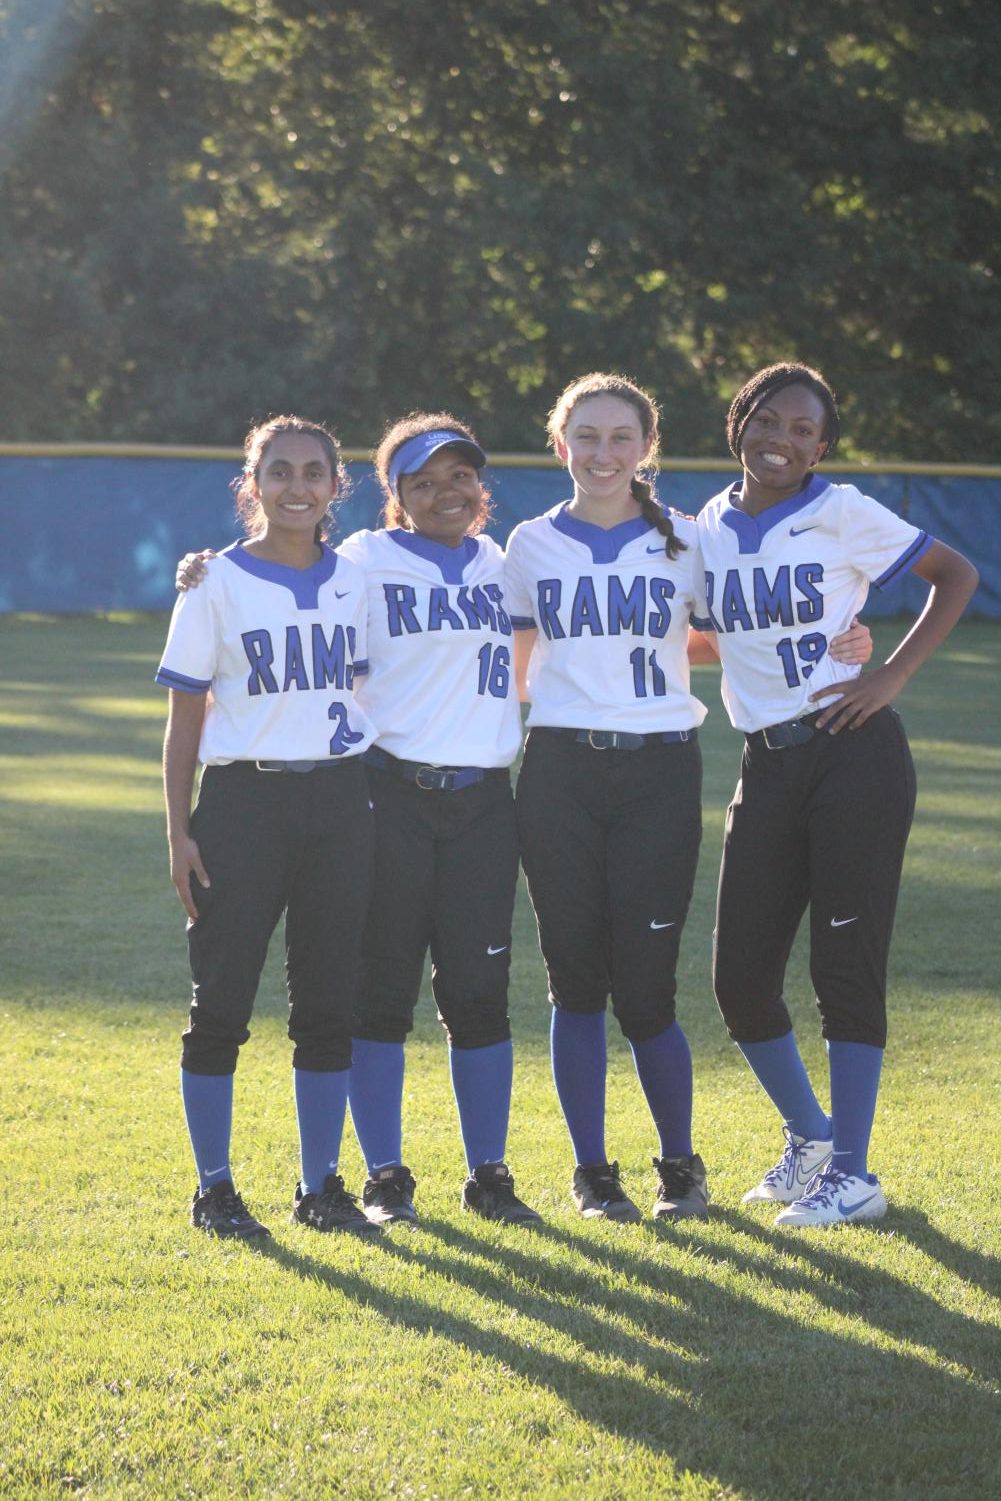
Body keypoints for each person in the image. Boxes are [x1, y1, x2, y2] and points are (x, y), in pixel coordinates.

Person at [505, 372, 868, 1223]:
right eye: (584, 436)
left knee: (647, 985)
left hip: (658, 773)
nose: (602, 453)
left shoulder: (687, 542)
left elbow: (736, 629)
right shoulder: (526, 545)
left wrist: (844, 633)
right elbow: (502, 651)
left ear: (646, 448)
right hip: (557, 770)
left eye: (619, 436)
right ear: (561, 446)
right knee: (573, 982)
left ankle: (678, 1167)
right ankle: (594, 1173)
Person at [177, 413, 541, 1228]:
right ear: (388, 495)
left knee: (478, 991)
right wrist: (204, 568)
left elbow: (590, 629)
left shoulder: (502, 562)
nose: (444, 491)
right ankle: (381, 1174)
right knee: (375, 994)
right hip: (383, 794)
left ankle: (488, 1173)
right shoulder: (360, 564)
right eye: (421, 480)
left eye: (459, 476)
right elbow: (271, 567)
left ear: (482, 487)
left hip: (483, 799)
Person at [694, 362, 978, 1227]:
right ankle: (811, 1139)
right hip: (765, 762)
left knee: (842, 967)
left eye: (802, 428)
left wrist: (887, 674)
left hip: (852, 754)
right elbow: (720, 637)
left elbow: (955, 573)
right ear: (738, 421)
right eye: (767, 419)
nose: (781, 438)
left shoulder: (841, 510)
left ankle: (852, 1173)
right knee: (738, 977)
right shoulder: (707, 522)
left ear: (822, 444)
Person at [157, 415, 380, 1240]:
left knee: (327, 1004)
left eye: (313, 472)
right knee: (219, 1002)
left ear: (334, 484)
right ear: (251, 485)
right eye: (278, 472)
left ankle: (319, 1185)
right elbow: (184, 721)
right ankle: (213, 1188)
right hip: (243, 805)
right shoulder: (213, 580)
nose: (296, 486)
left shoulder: (353, 579)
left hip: (336, 800)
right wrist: (178, 832)